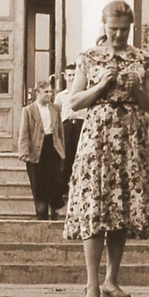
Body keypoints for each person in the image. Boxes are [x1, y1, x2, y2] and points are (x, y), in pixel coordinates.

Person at [63, 0, 149, 297]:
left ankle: (111, 281)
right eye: (113, 29)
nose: (118, 35)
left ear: (131, 28)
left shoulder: (143, 58)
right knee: (95, 208)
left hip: (130, 139)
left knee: (122, 209)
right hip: (98, 139)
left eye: (124, 30)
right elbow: (75, 101)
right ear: (104, 26)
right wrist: (102, 85)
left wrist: (136, 90)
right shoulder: (89, 57)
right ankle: (91, 285)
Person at [18, 79, 65, 220]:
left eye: (50, 92)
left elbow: (60, 131)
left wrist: (62, 150)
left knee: (54, 180)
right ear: (37, 92)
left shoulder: (56, 108)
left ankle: (54, 208)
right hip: (36, 150)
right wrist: (24, 152)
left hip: (53, 147)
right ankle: (41, 213)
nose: (49, 95)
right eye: (46, 92)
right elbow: (24, 132)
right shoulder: (28, 110)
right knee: (38, 182)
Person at [54, 63, 86, 199]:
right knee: (65, 158)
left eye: (74, 75)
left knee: (80, 155)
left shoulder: (84, 94)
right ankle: (63, 189)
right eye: (70, 75)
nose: (72, 78)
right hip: (66, 127)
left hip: (80, 126)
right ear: (65, 77)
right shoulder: (60, 96)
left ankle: (79, 187)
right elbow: (56, 114)